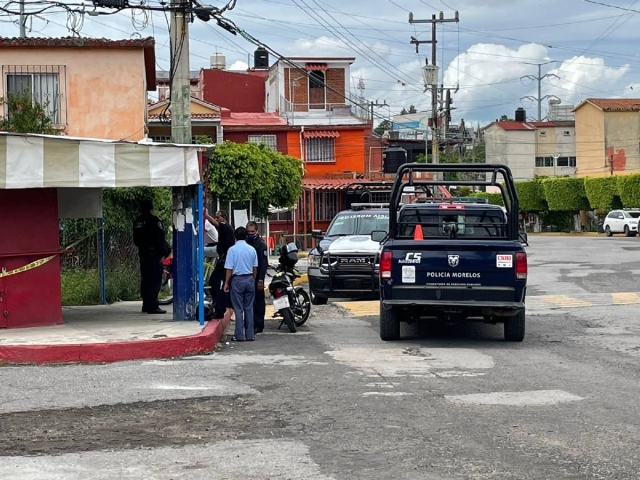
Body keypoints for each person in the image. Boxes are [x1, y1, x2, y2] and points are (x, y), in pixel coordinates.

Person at [133, 199, 170, 315]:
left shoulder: (137, 221)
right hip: (154, 254)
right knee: (154, 279)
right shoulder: (154, 221)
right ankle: (153, 305)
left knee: (146, 279)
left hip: (143, 253)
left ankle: (146, 303)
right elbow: (160, 238)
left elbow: (136, 240)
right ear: (151, 208)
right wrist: (162, 252)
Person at [224, 227, 258, 342]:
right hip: (249, 279)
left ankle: (239, 335)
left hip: (237, 280)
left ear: (235, 236)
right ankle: (250, 334)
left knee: (238, 309)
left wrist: (226, 282)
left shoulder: (232, 250)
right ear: (246, 236)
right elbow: (255, 268)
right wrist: (253, 279)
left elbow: (229, 268)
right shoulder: (252, 249)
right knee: (249, 307)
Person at [208, 210, 235, 319]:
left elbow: (216, 224)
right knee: (222, 284)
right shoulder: (226, 229)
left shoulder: (225, 227)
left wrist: (205, 215)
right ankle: (220, 306)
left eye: (218, 217)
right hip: (224, 260)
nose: (216, 219)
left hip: (224, 261)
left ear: (224, 218)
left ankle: (219, 306)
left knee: (214, 282)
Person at [246, 221, 268, 334]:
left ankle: (259, 325)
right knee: (248, 303)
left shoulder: (261, 245)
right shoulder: (245, 243)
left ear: (257, 231)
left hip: (257, 277)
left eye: (252, 231)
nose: (250, 233)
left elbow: (264, 264)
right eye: (248, 231)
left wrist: (260, 279)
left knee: (258, 302)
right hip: (247, 277)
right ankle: (249, 324)